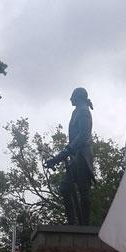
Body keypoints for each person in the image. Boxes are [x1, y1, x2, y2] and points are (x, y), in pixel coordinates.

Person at [45, 87, 94, 225]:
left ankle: (85, 226)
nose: (70, 99)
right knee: (65, 188)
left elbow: (83, 136)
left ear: (78, 97)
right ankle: (72, 225)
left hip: (83, 157)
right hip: (75, 157)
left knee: (84, 191)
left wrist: (63, 154)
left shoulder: (84, 111)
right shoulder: (77, 111)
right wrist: (61, 156)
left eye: (73, 96)